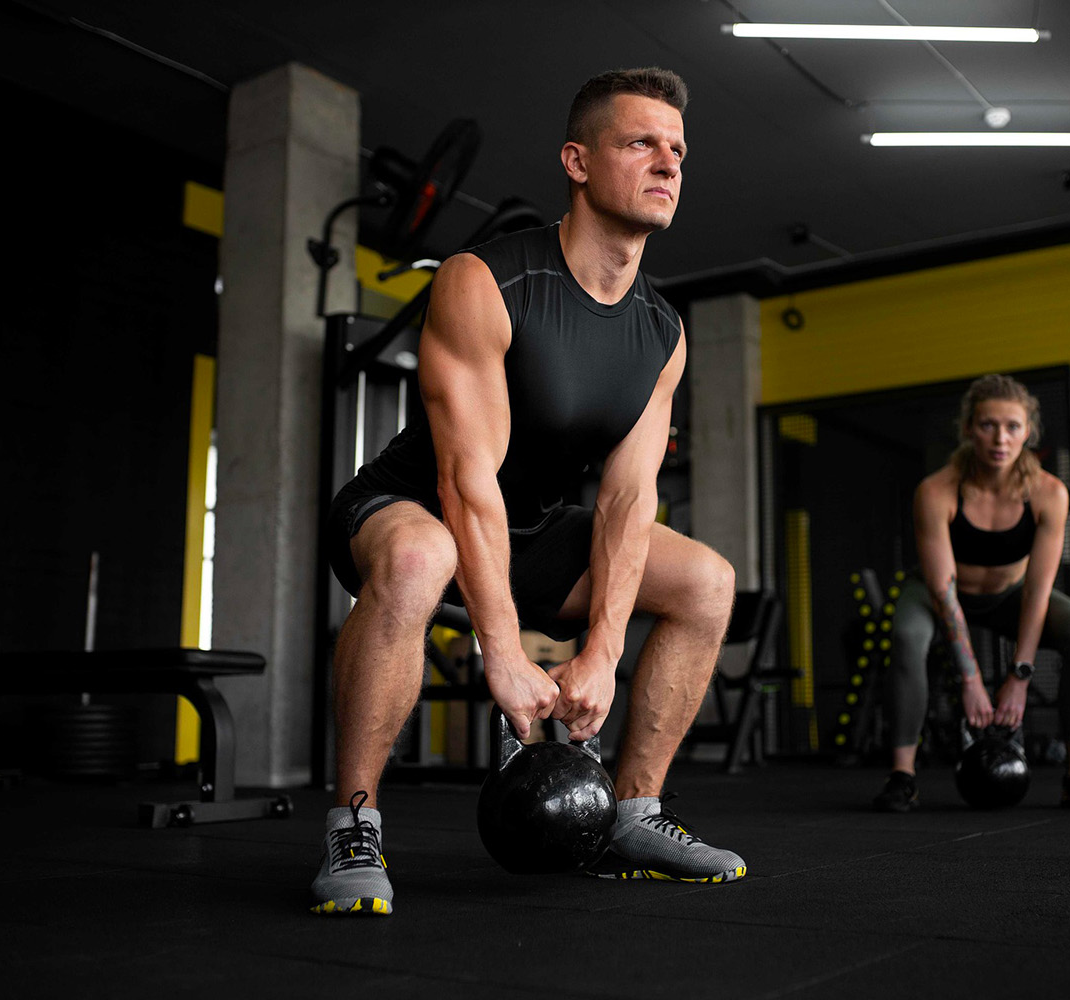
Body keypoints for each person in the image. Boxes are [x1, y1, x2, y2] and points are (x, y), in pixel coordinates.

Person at [311, 67, 745, 916]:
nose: (667, 163)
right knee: (420, 550)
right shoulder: (487, 280)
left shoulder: (663, 332)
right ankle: (352, 824)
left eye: (678, 150)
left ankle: (633, 815)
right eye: (641, 143)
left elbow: (626, 501)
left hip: (534, 532)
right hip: (407, 510)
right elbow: (464, 482)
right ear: (577, 162)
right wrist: (502, 652)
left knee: (706, 582)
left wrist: (603, 652)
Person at [871, 374, 1070, 812]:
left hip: (1013, 594)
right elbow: (942, 588)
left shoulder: (1049, 492)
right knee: (907, 637)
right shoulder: (936, 491)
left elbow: (1040, 587)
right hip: (940, 595)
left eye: (1012, 426)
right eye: (988, 425)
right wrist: (970, 679)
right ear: (969, 428)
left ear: (1029, 431)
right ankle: (903, 776)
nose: (1000, 438)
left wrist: (1020, 676)